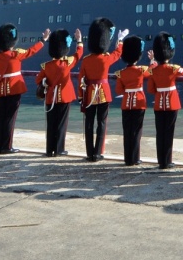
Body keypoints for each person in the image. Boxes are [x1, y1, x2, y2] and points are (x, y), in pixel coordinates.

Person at [0, 24, 49, 154]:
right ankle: (7, 146)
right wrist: (43, 40)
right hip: (14, 89)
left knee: (1, 119)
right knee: (10, 119)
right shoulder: (15, 54)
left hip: (1, 90)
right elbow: (31, 51)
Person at [78, 18, 127, 162]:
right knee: (101, 124)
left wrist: (81, 97)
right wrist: (120, 40)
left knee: (89, 124)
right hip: (104, 94)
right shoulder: (106, 58)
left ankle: (89, 153)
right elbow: (118, 53)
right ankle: (98, 153)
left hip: (89, 95)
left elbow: (81, 80)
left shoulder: (86, 60)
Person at [36, 28, 83, 157]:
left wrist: (46, 82)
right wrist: (79, 40)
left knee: (51, 124)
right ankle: (59, 149)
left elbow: (38, 79)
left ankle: (49, 150)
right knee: (61, 124)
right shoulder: (66, 63)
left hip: (51, 98)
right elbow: (78, 54)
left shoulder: (47, 66)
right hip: (64, 97)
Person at [146, 32, 183, 170]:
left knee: (160, 133)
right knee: (169, 133)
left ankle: (161, 161)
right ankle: (167, 161)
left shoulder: (154, 71)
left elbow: (151, 89)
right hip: (172, 103)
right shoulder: (173, 68)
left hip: (158, 103)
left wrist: (152, 63)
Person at [116, 35, 150, 166]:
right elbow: (153, 71)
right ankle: (135, 158)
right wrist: (152, 61)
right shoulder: (141, 70)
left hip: (126, 104)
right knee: (136, 132)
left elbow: (119, 91)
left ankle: (127, 158)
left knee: (127, 132)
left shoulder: (120, 73)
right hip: (139, 103)